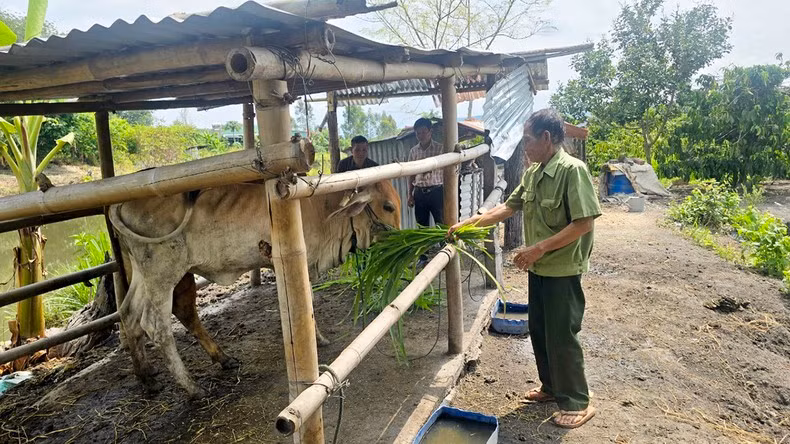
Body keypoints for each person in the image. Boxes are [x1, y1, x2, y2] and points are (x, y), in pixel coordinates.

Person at [448, 109, 601, 429]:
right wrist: (468, 224)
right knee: (540, 329)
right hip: (539, 267)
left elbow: (583, 223)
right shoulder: (533, 175)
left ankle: (577, 400)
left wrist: (538, 248)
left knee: (562, 334)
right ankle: (550, 387)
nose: (525, 146)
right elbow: (507, 207)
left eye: (529, 140)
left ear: (547, 138)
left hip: (561, 267)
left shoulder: (573, 171)